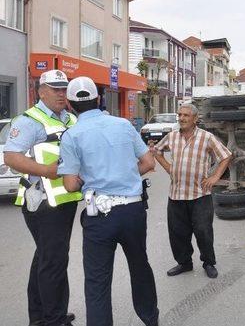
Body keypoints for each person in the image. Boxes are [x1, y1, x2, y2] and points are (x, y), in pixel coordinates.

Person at [57, 77, 159, 326]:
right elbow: (148, 163)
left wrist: (87, 178)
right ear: (99, 99)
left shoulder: (71, 136)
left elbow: (70, 184)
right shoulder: (123, 125)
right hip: (133, 211)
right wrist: (124, 174)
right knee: (140, 266)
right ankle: (151, 319)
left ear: (70, 105)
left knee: (97, 282)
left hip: (99, 216)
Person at [3, 69, 80, 326]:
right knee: (54, 261)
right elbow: (12, 157)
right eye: (56, 89)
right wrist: (47, 170)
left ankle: (40, 317)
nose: (61, 93)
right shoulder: (28, 120)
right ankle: (54, 318)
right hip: (42, 203)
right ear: (41, 91)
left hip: (65, 200)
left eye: (64, 89)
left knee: (46, 258)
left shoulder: (70, 119)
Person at [151, 103, 232, 279]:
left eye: (186, 115)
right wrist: (169, 168)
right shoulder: (172, 137)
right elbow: (156, 151)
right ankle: (184, 263)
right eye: (179, 115)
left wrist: (215, 177)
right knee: (178, 232)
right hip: (176, 195)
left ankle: (208, 262)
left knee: (203, 231)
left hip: (199, 195)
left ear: (195, 119)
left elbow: (226, 156)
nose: (181, 118)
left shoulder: (206, 137)